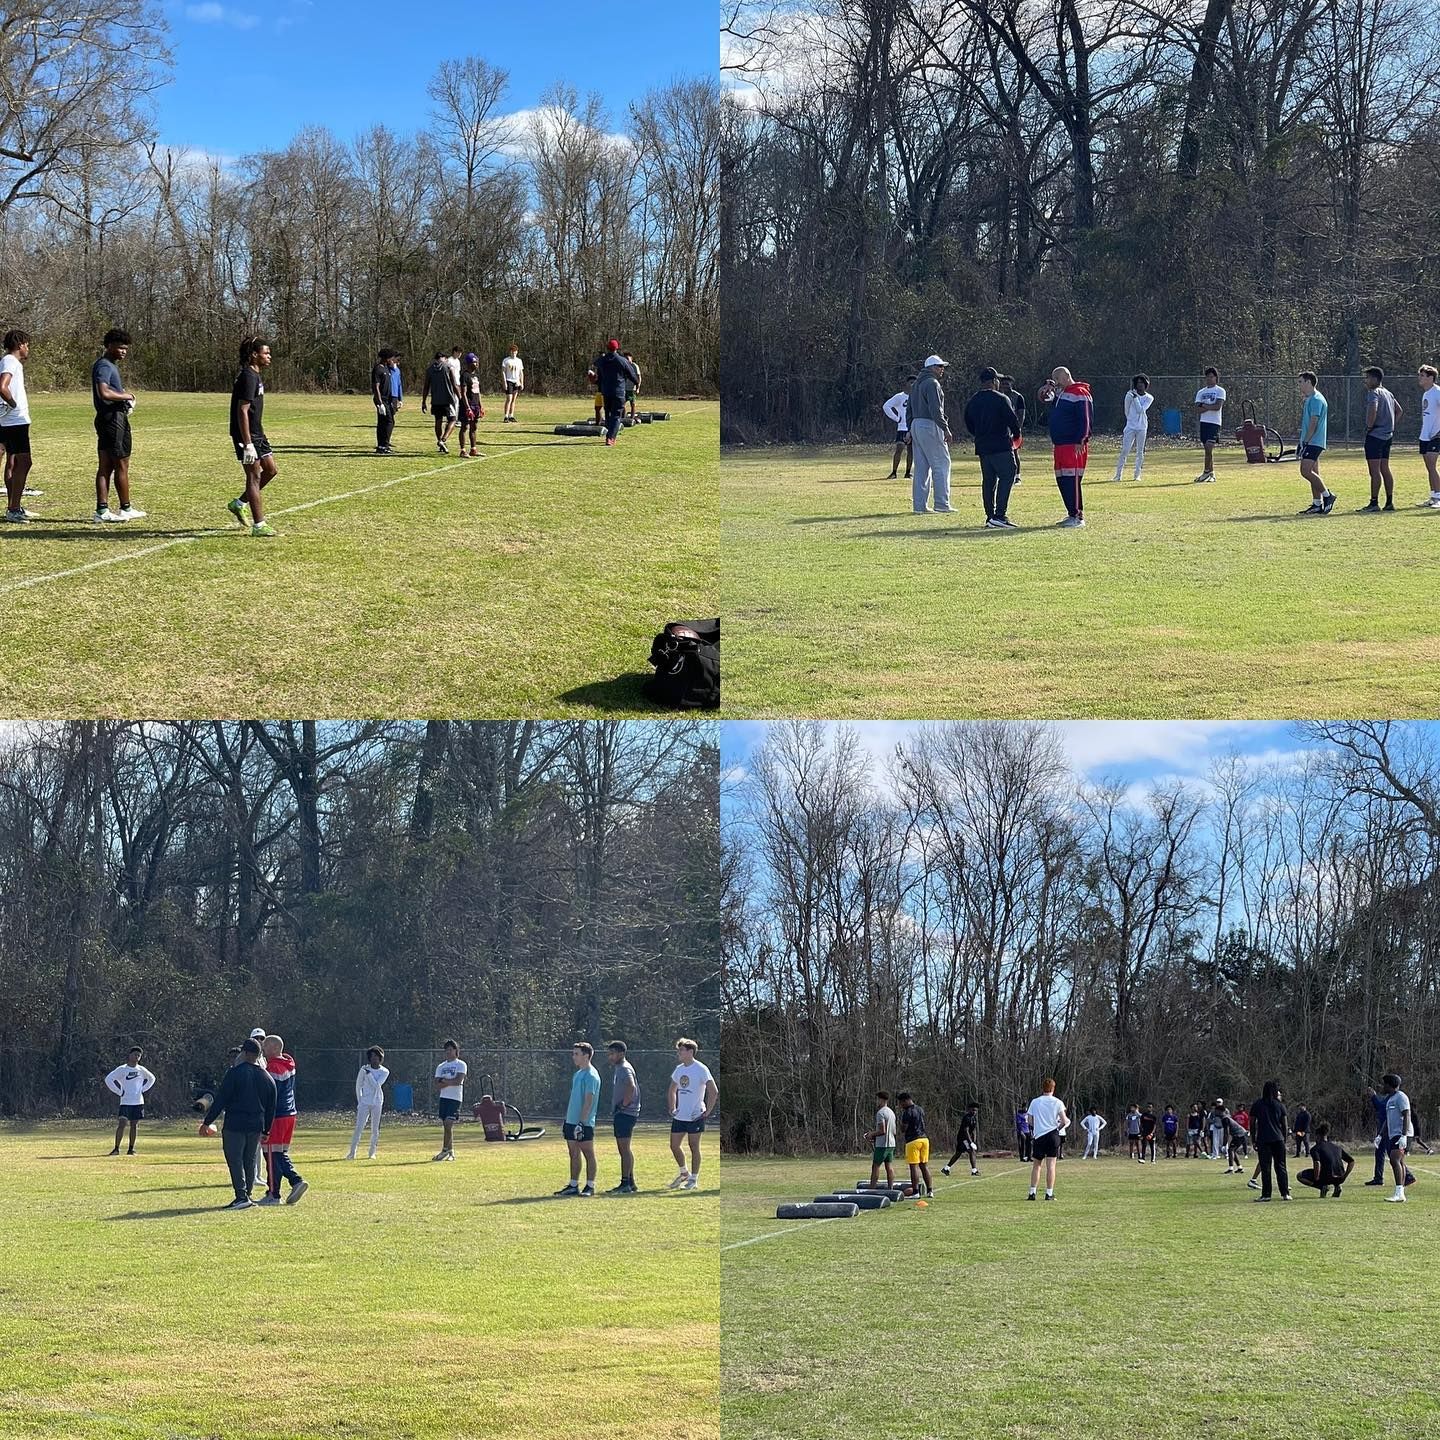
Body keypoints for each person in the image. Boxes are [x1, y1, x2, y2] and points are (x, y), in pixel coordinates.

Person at [198, 1036, 277, 1210]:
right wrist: (267, 1129)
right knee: (249, 1160)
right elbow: (272, 1106)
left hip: (235, 1123)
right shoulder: (267, 1077)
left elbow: (221, 1100)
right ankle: (247, 1194)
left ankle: (241, 1196)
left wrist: (207, 1122)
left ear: (246, 1053)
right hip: (256, 1124)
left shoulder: (235, 1073)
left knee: (235, 1160)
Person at [227, 336, 279, 537]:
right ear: (254, 355)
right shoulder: (248, 376)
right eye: (265, 353)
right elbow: (242, 410)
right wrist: (247, 443)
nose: (269, 356)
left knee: (271, 470)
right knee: (254, 475)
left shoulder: (255, 375)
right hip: (246, 435)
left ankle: (239, 503)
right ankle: (259, 525)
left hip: (258, 433)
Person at [91, 328, 144, 522]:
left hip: (108, 418)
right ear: (109, 346)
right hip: (112, 420)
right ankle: (124, 508)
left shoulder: (109, 365)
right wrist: (128, 396)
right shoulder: (104, 366)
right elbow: (104, 392)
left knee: (105, 465)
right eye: (120, 347)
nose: (123, 351)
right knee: (120, 464)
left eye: (126, 348)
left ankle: (103, 510)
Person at [963, 366, 1023, 529]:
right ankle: (1000, 515)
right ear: (994, 381)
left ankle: (990, 516)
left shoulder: (973, 400)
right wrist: (1016, 436)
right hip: (1001, 445)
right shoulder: (1002, 399)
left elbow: (968, 423)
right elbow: (1013, 421)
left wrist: (979, 434)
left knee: (988, 481)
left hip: (982, 446)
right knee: (1008, 474)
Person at [1039, 366, 1092, 528]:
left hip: (1073, 444)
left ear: (1064, 377)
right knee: (1062, 480)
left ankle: (1078, 516)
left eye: (1056, 379)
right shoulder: (1061, 394)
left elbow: (1086, 418)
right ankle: (1071, 513)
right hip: (1060, 444)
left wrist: (1081, 439)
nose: (1055, 382)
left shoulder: (1080, 393)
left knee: (1072, 479)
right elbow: (1044, 399)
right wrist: (1045, 390)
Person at [259, 1035, 307, 1206]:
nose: (263, 1051)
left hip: (277, 1115)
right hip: (289, 1114)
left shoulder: (272, 1068)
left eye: (265, 1047)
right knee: (278, 1153)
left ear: (273, 1048)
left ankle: (289, 1183)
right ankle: (276, 1192)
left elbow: (269, 1095)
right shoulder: (289, 1063)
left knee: (271, 1154)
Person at [668, 1037, 717, 1190]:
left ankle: (694, 1179)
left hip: (695, 1115)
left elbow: (713, 1091)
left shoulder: (701, 1069)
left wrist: (707, 1111)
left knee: (693, 1146)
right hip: (680, 1115)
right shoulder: (679, 1069)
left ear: (690, 1052)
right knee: (674, 1145)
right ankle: (684, 1173)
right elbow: (671, 1090)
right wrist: (672, 1107)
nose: (679, 1053)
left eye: (681, 1050)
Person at [555, 1040, 601, 1198]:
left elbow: (589, 1101)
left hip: (584, 1123)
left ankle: (590, 1186)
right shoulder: (578, 1074)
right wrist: (570, 1120)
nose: (573, 1057)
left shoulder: (591, 1075)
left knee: (588, 1153)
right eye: (573, 1053)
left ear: (586, 1056)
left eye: (576, 1054)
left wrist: (581, 1122)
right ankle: (573, 1185)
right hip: (571, 1121)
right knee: (573, 1153)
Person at [0, 328, 36, 522]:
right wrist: (13, 404)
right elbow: (2, 386)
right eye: (27, 345)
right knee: (25, 462)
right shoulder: (10, 361)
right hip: (15, 422)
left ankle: (14, 507)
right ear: (20, 345)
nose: (27, 348)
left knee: (13, 463)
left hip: (12, 421)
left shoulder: (10, 362)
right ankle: (14, 509)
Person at [908, 355, 953, 514]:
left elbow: (909, 409)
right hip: (930, 424)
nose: (942, 370)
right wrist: (945, 428)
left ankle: (919, 506)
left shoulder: (916, 384)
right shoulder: (932, 383)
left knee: (921, 467)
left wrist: (909, 429)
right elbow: (936, 410)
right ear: (932, 367)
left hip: (916, 424)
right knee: (941, 464)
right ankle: (942, 503)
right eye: (940, 366)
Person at [1359, 366, 1401, 512]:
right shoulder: (1388, 393)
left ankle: (1374, 503)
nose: (1366, 381)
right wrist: (1390, 425)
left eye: (1368, 378)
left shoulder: (1374, 392)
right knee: (1385, 469)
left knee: (1374, 471)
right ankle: (1389, 502)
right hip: (1387, 436)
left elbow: (1373, 408)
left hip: (1375, 436)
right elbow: (1399, 410)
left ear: (1375, 379)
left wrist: (1370, 426)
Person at [105, 1046, 156, 1155]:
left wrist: (143, 1089)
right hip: (125, 1102)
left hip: (138, 1102)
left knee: (134, 1125)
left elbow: (152, 1078)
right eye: (135, 1055)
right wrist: (119, 1091)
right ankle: (116, 1149)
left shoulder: (141, 1070)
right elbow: (108, 1079)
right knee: (122, 1124)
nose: (136, 1057)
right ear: (129, 1055)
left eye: (139, 1055)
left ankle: (131, 1149)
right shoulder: (122, 1069)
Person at [1296, 372, 1335, 514]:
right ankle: (1317, 504)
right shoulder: (1309, 399)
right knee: (1313, 472)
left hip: (1314, 441)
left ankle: (1327, 496)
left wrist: (1306, 441)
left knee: (1305, 471)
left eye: (1300, 382)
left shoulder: (1316, 399)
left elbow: (1314, 422)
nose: (1299, 385)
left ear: (1308, 382)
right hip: (1310, 441)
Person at [607, 1040, 641, 1195]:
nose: (610, 1057)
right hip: (624, 1113)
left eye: (612, 1053)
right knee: (624, 1149)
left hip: (626, 1114)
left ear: (621, 1053)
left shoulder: (624, 1068)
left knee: (624, 1149)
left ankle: (625, 1183)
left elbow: (631, 1086)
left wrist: (624, 1105)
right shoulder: (619, 1068)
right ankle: (631, 1182)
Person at [1026, 1078, 1069, 1201]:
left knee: (1036, 1165)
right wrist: (1057, 1128)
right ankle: (1049, 1193)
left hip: (1039, 1136)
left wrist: (1038, 1126)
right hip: (1052, 1136)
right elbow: (1065, 1120)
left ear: (1042, 1088)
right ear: (1053, 1088)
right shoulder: (1058, 1102)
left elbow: (1029, 1120)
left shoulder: (1035, 1102)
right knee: (1051, 1165)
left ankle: (1032, 1193)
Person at [1251, 1079, 1291, 1201]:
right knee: (1281, 1166)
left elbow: (1252, 1123)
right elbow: (1284, 1124)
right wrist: (1284, 1139)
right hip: (1278, 1139)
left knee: (1265, 1167)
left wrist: (1253, 1139)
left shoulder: (1257, 1104)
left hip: (1263, 1139)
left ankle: (1266, 1194)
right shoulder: (1280, 1105)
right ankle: (1285, 1193)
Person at [595, 340, 640, 447]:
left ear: (607, 347)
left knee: (608, 414)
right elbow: (631, 374)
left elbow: (597, 370)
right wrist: (636, 382)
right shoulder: (622, 360)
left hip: (606, 391)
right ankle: (610, 438)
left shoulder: (602, 360)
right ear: (617, 348)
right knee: (616, 416)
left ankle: (609, 434)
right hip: (618, 392)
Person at [347, 1045, 388, 1159]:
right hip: (364, 1102)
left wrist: (369, 1074)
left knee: (375, 1129)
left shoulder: (384, 1071)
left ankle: (372, 1153)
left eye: (376, 1056)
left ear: (380, 1058)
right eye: (372, 1056)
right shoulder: (363, 1070)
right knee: (359, 1127)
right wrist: (360, 1100)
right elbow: (358, 1086)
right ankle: (352, 1153)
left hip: (377, 1102)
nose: (374, 1058)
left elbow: (376, 1085)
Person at [1114, 374, 1153, 483]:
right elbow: (1126, 410)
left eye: (1142, 383)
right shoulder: (1129, 395)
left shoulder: (1149, 397)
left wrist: (1135, 398)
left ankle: (1137, 475)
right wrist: (1131, 420)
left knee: (1140, 451)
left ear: (1146, 384)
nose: (1140, 385)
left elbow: (1140, 410)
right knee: (1125, 450)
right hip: (1130, 426)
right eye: (1138, 383)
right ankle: (1118, 475)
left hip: (1142, 427)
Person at [1380, 1072, 1413, 1202]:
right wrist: (1380, 1135)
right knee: (1399, 1162)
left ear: (1390, 1085)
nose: (1383, 1087)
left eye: (1385, 1085)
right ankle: (1400, 1192)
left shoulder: (1401, 1097)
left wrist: (1404, 1136)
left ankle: (1399, 1192)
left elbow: (1407, 1115)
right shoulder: (1390, 1099)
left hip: (1402, 1134)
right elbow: (1387, 1119)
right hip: (1393, 1134)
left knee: (1395, 1160)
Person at [1298, 1123, 1355, 1198]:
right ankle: (1337, 1186)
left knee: (1299, 1176)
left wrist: (1316, 1178)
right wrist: (1345, 1176)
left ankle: (1322, 1187)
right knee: (1332, 1169)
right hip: (1340, 1177)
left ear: (1317, 1136)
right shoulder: (1337, 1147)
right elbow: (1351, 1161)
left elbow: (1317, 1163)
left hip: (1326, 1178)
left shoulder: (1315, 1149)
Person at [432, 1039, 467, 1161]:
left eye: (450, 1049)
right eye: (446, 1050)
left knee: (448, 1123)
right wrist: (447, 1082)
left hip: (455, 1098)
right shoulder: (441, 1066)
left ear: (456, 1050)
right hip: (444, 1098)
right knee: (446, 1126)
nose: (448, 1052)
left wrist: (445, 1081)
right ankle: (451, 1151)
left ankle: (444, 1150)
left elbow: (458, 1081)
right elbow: (437, 1084)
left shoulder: (461, 1064)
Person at [897, 1090, 934, 1198]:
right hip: (924, 1139)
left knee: (913, 1167)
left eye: (901, 1103)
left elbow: (904, 1128)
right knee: (924, 1166)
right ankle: (930, 1190)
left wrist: (901, 1126)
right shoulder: (920, 1109)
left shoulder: (907, 1112)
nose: (901, 1105)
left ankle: (915, 1192)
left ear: (906, 1101)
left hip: (913, 1140)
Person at [1193, 367, 1225, 483]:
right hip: (1204, 423)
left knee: (1208, 447)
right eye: (1207, 377)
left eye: (1211, 376)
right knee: (1207, 450)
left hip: (1215, 423)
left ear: (1216, 378)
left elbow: (1217, 407)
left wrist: (1205, 405)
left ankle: (1206, 472)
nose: (1209, 379)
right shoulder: (1201, 392)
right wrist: (1207, 407)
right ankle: (1211, 474)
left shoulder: (1220, 391)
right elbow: (1197, 409)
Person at [422, 352, 458, 453]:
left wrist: (424, 401)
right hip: (448, 399)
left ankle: (440, 442)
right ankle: (443, 440)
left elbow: (426, 387)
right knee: (453, 419)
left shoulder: (430, 370)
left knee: (438, 420)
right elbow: (454, 385)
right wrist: (460, 398)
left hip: (435, 400)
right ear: (443, 358)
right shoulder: (448, 367)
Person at [865, 1089, 898, 1188]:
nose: (876, 1101)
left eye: (877, 1099)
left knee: (875, 1166)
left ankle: (872, 1189)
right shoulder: (891, 1112)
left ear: (881, 1100)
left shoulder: (880, 1113)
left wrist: (871, 1134)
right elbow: (894, 1131)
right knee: (889, 1166)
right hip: (891, 1144)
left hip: (882, 1145)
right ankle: (890, 1188)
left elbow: (882, 1131)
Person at [1418, 364, 1440, 508]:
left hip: (1435, 436)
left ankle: (1439, 497)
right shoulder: (1426, 393)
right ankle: (1433, 496)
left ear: (1430, 378)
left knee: (1432, 466)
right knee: (1429, 467)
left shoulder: (1437, 392)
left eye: (1422, 376)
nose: (1419, 378)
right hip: (1425, 435)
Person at [882, 378, 914, 480]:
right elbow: (886, 406)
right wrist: (897, 418)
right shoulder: (900, 397)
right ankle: (894, 472)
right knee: (899, 448)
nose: (913, 385)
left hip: (913, 427)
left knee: (911, 450)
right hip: (902, 427)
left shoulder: (917, 396)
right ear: (906, 384)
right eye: (911, 382)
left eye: (915, 382)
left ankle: (908, 473)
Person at [998, 374, 1026, 483]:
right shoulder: (999, 396)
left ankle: (1017, 476)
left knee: (1014, 453)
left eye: (1007, 384)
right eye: (1003, 384)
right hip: (1001, 430)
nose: (1005, 386)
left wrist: (1017, 429)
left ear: (1011, 385)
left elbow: (1021, 414)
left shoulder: (1018, 397)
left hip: (1013, 429)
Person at [371, 348, 399, 455]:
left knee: (384, 422)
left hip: (388, 400)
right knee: (388, 422)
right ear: (386, 358)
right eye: (391, 358)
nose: (392, 360)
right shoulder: (378, 369)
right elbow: (376, 387)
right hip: (381, 399)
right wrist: (380, 403)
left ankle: (382, 445)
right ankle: (383, 445)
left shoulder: (387, 369)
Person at [942, 1102, 981, 1177]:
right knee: (971, 1151)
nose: (974, 1112)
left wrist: (974, 1141)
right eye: (973, 1110)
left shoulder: (974, 1118)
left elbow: (973, 1130)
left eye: (976, 1110)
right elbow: (966, 1131)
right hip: (963, 1138)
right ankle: (974, 1170)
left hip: (967, 1139)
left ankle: (946, 1168)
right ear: (969, 1109)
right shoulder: (966, 1118)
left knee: (958, 1154)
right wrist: (970, 1142)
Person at [458, 352, 484, 457]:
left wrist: (481, 405)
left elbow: (478, 391)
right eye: (474, 361)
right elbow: (463, 393)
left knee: (474, 427)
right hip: (467, 405)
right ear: (469, 363)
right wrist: (467, 408)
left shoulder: (476, 376)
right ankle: (463, 450)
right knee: (465, 427)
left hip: (476, 404)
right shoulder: (465, 375)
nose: (477, 363)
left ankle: (473, 449)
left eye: (477, 361)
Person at [501, 345, 524, 423]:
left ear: (517, 352)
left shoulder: (519, 361)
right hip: (509, 381)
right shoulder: (506, 360)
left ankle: (511, 415)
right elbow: (503, 372)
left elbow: (521, 372)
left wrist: (522, 382)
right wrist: (504, 382)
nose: (513, 353)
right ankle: (506, 416)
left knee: (514, 399)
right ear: (510, 352)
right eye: (512, 351)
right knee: (509, 399)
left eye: (515, 351)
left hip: (516, 382)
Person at [622, 352, 642, 420]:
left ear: (631, 358)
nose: (626, 360)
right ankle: (623, 417)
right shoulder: (623, 366)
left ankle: (632, 418)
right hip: (624, 389)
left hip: (631, 389)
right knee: (622, 404)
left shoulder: (635, 366)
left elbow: (639, 378)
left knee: (632, 404)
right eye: (625, 358)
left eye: (627, 358)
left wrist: (638, 388)